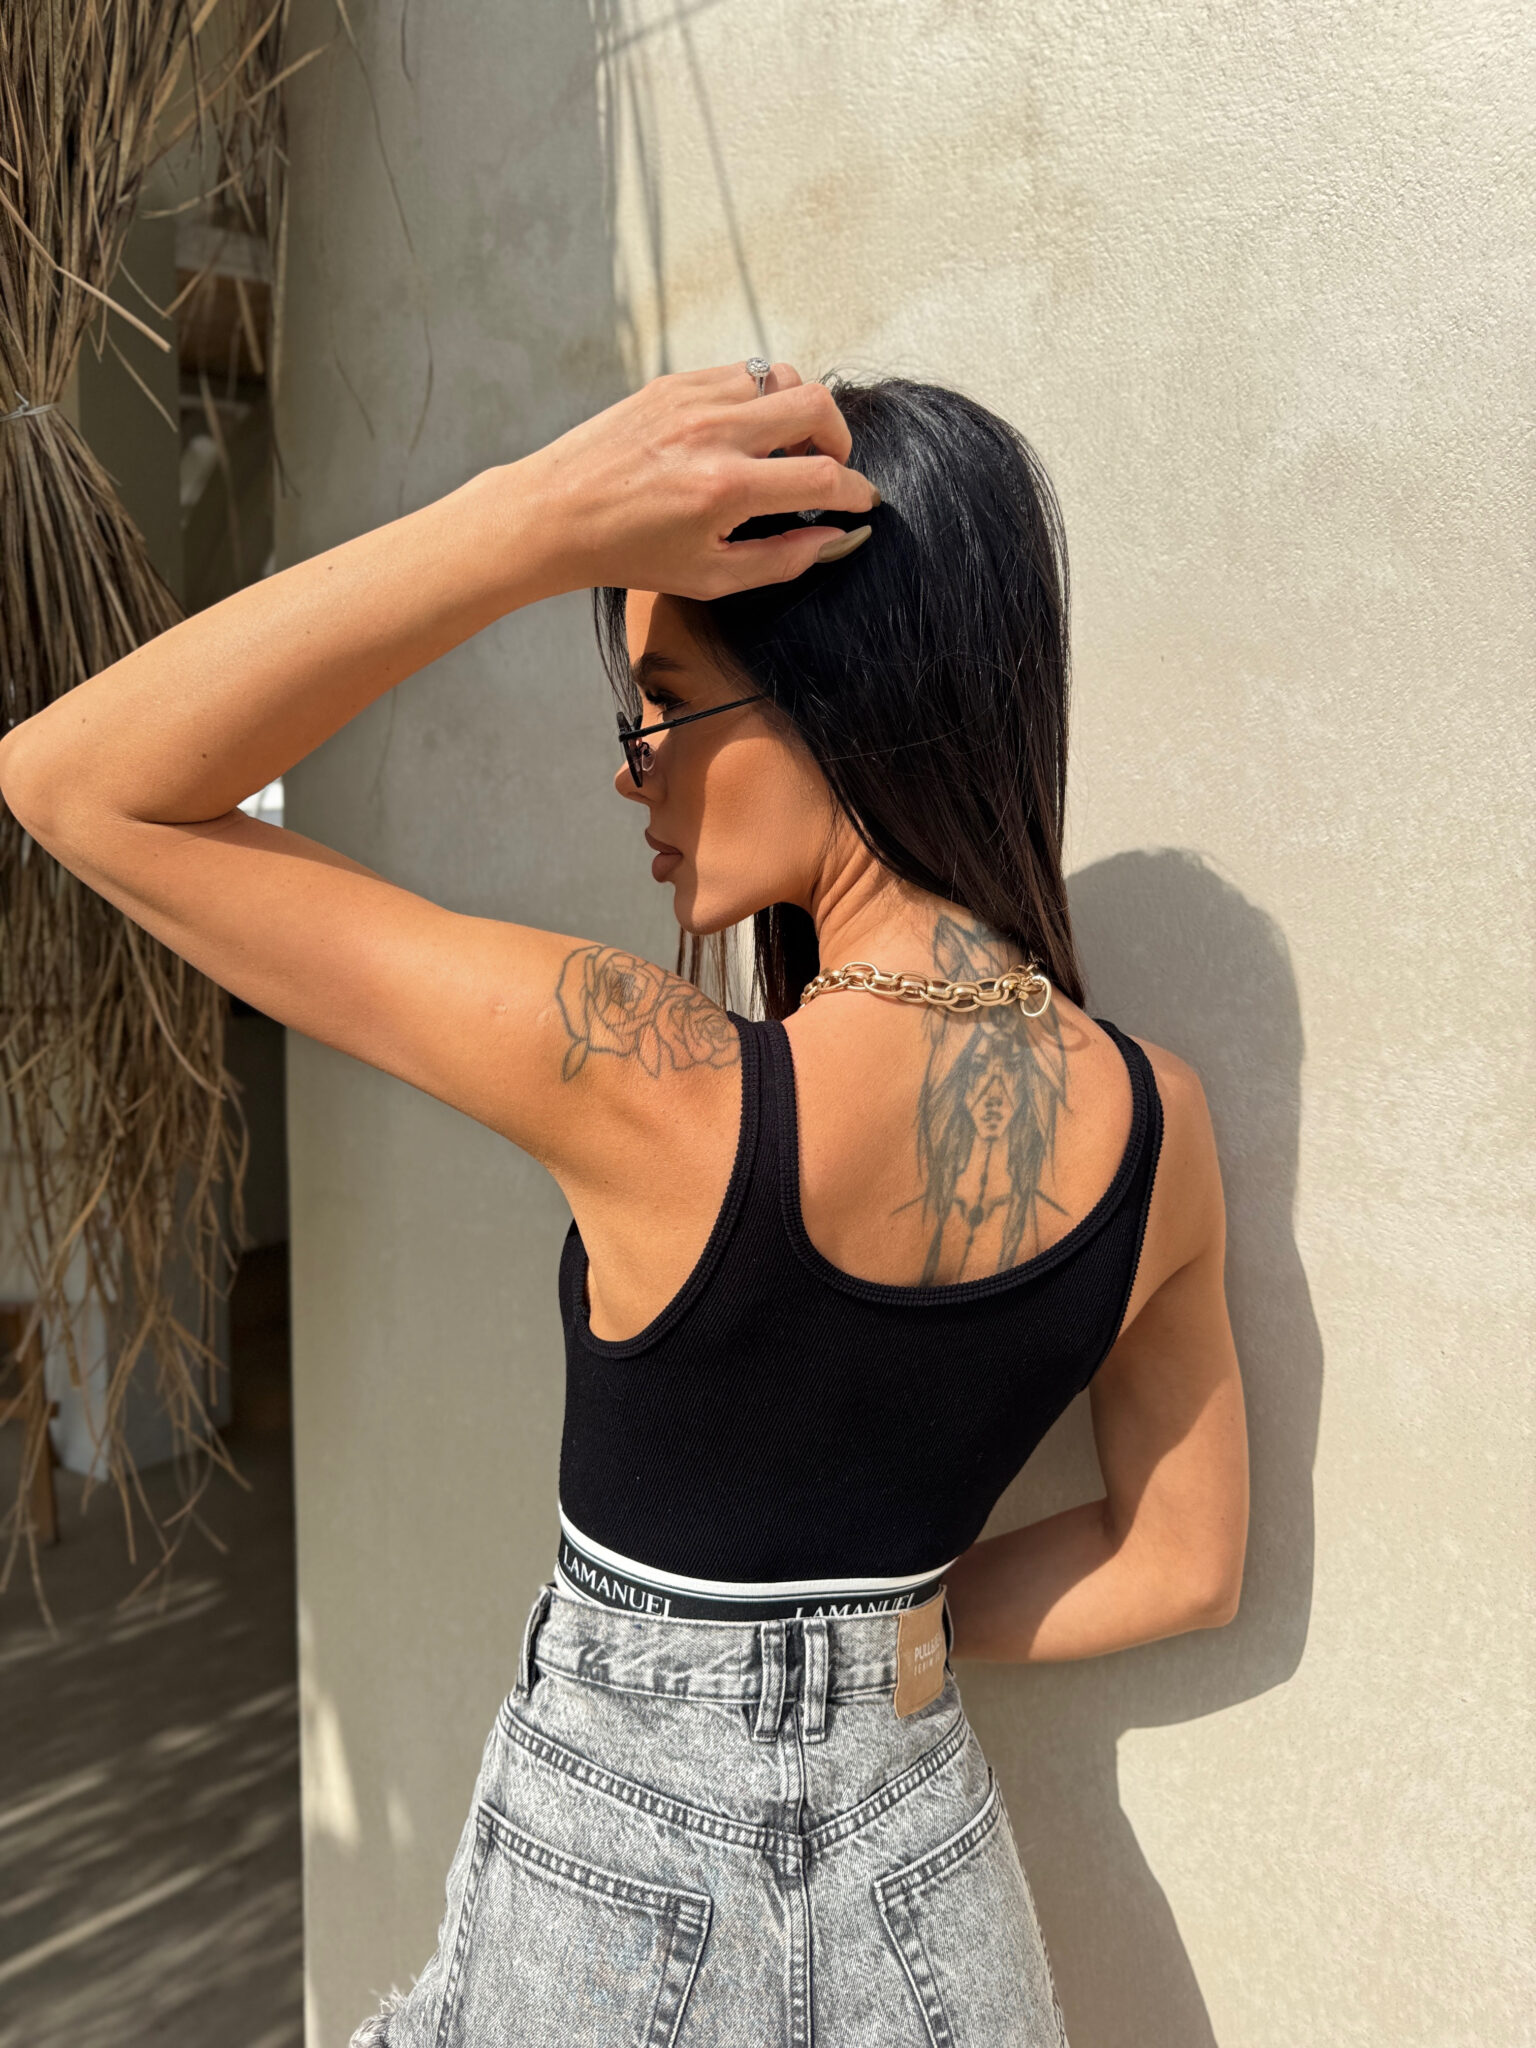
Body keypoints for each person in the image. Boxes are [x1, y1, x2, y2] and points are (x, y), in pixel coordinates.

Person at [0, 359, 1249, 2046]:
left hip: (614, 1908)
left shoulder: (651, 1076)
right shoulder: (1160, 1122)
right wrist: (865, 1643)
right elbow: (1182, 1562)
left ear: (837, 698)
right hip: (937, 1906)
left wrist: (533, 517)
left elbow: (75, 779)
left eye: (662, 704)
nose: (630, 768)